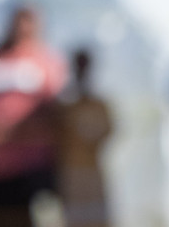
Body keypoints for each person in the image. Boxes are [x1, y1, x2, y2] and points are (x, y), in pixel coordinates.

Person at [0, 7, 66, 227]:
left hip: (31, 164)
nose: (23, 27)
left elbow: (55, 109)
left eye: (29, 21)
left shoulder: (47, 61)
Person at [55, 50, 112, 227]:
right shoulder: (64, 105)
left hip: (92, 172)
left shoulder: (98, 105)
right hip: (70, 171)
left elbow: (105, 133)